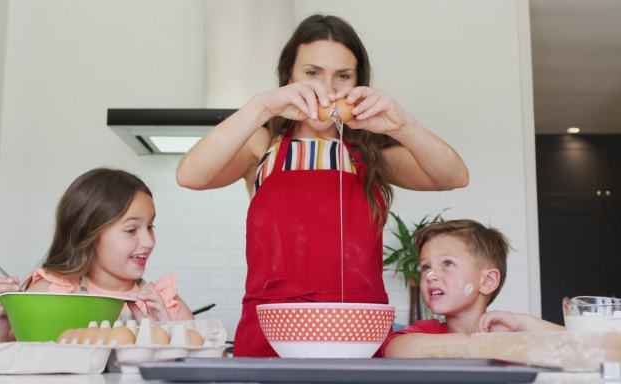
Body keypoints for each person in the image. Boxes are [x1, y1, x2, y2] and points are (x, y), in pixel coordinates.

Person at [176, 14, 469, 357]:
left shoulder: (372, 153)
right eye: (312, 73)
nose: (327, 89)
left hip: (357, 330)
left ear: (359, 83)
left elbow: (454, 176)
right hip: (272, 329)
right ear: (289, 77)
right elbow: (190, 175)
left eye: (342, 76)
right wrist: (261, 105)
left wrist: (402, 124)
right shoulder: (262, 145)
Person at [0, 168, 194, 343]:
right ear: (88, 233)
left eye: (151, 227)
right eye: (131, 230)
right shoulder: (50, 294)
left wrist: (168, 335)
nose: (148, 242)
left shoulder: (167, 305)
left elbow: (210, 371)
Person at [382, 220, 563, 358]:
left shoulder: (506, 331)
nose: (431, 275)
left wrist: (521, 322)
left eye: (447, 263)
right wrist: (475, 345)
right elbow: (393, 349)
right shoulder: (427, 331)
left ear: (487, 281)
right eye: (426, 267)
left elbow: (579, 344)